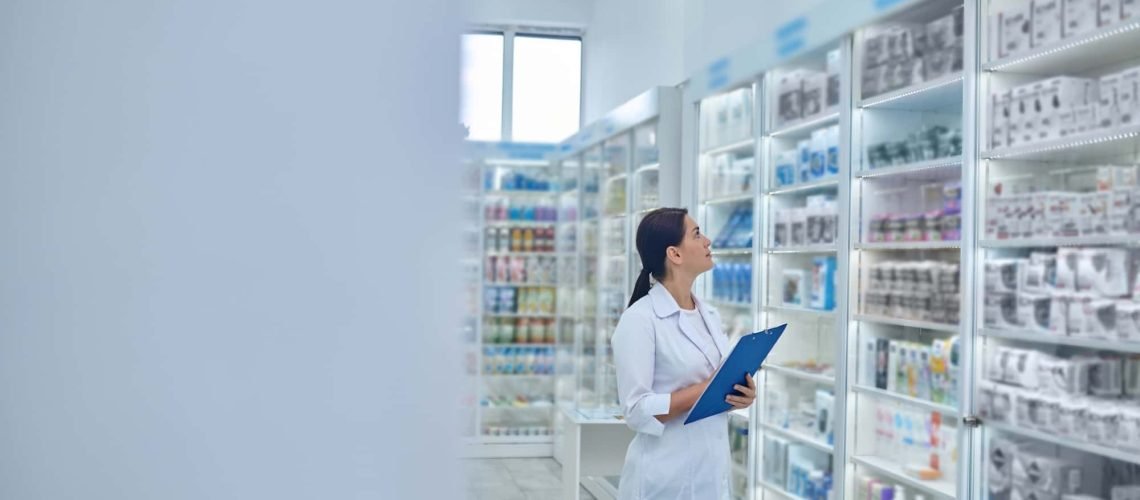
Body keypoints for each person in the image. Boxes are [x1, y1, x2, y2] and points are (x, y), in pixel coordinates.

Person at [611, 207, 756, 500]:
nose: (708, 241)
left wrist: (739, 395)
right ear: (674, 254)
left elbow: (713, 387)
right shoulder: (640, 319)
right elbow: (636, 411)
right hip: (664, 479)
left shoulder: (709, 315)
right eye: (697, 234)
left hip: (711, 473)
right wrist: (708, 389)